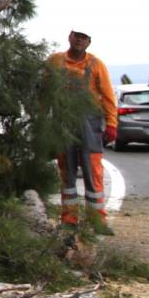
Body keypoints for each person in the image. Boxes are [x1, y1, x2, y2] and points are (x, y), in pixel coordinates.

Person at [47, 30, 117, 226]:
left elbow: (108, 96)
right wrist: (41, 118)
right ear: (69, 36)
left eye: (84, 37)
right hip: (62, 122)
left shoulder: (96, 65)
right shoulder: (55, 61)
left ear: (89, 42)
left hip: (89, 124)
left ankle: (97, 221)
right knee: (66, 172)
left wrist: (112, 124)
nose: (79, 40)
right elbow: (45, 90)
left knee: (92, 170)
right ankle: (69, 219)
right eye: (77, 35)